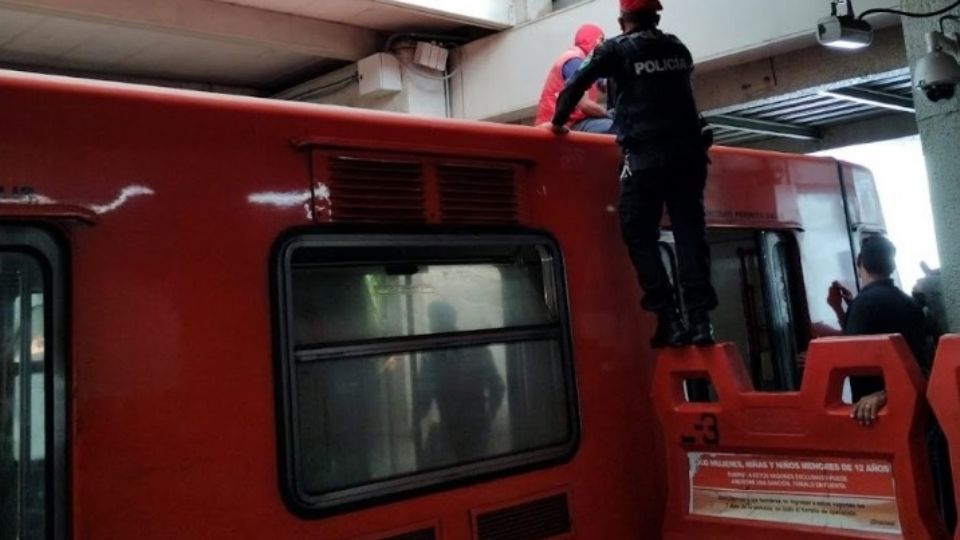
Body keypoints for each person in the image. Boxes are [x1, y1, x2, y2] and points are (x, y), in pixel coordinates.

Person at [544, 0, 717, 347]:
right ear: (656, 15)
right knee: (689, 235)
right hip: (690, 158)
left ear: (623, 19)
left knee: (638, 230)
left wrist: (558, 122)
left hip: (647, 159)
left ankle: (669, 320)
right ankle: (701, 323)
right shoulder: (677, 47)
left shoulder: (615, 50)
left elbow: (574, 87)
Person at [827, 236, 929, 424]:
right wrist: (843, 308)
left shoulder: (862, 305)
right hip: (912, 408)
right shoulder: (909, 302)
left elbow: (851, 353)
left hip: (875, 415)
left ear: (860, 263)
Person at [416, 302, 506, 464]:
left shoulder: (430, 355)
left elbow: (424, 397)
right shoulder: (477, 348)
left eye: (435, 321)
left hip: (454, 427)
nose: (433, 326)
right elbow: (498, 388)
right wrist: (487, 420)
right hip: (475, 427)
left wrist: (415, 420)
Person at [535, 24, 615, 134]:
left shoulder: (584, 62)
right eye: (602, 40)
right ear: (595, 41)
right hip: (559, 126)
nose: (603, 45)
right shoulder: (575, 60)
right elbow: (584, 105)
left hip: (566, 122)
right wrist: (609, 114)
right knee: (618, 127)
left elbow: (604, 82)